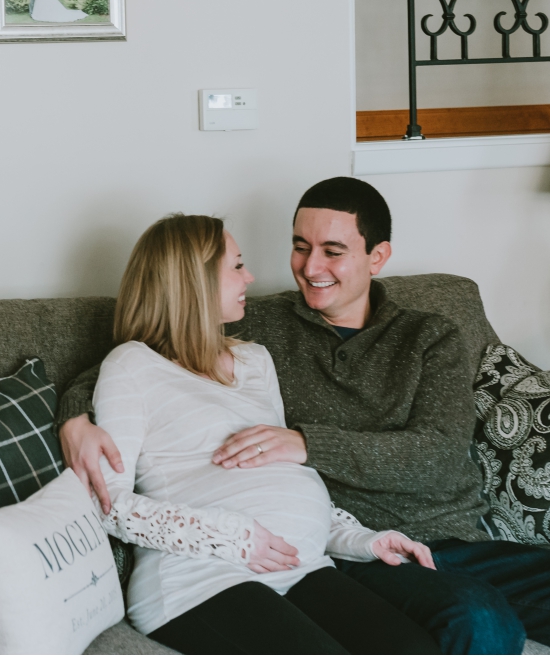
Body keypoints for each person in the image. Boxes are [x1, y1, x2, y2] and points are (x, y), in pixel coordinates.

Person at [61, 178, 550, 654]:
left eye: (334, 251)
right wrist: (74, 419)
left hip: (450, 539)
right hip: (353, 554)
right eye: (300, 247)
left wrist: (307, 443)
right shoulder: (261, 328)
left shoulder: (431, 336)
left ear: (378, 256)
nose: (311, 268)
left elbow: (442, 457)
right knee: (477, 621)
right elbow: (145, 355)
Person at [91, 212, 439, 655]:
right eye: (237, 265)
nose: (250, 276)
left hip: (300, 567)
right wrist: (233, 536)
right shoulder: (132, 366)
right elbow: (108, 506)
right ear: (192, 280)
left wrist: (364, 539)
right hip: (202, 578)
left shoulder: (255, 361)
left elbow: (281, 483)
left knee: (415, 649)